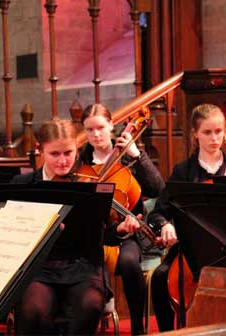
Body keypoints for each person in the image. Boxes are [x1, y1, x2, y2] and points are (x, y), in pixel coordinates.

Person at [12, 119, 141, 335]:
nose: (63, 161)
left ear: (76, 148)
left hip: (83, 266)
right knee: (33, 310)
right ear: (40, 150)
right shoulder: (23, 184)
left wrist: (120, 230)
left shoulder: (89, 184)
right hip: (39, 268)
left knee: (90, 305)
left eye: (68, 153)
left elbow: (105, 235)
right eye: (54, 154)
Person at [147, 103, 226, 331]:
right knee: (160, 277)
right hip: (190, 251)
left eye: (219, 131)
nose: (214, 138)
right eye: (207, 132)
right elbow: (159, 212)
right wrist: (166, 225)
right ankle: (169, 333)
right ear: (195, 135)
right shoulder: (183, 172)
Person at [80, 104, 165, 335]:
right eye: (89, 130)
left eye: (100, 128)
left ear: (111, 125)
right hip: (96, 235)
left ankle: (137, 327)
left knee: (128, 261)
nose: (96, 135)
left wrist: (138, 156)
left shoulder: (128, 156)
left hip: (130, 233)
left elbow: (157, 189)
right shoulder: (80, 164)